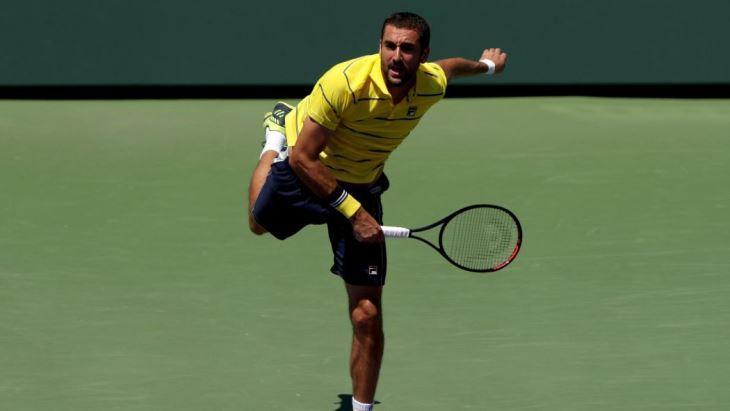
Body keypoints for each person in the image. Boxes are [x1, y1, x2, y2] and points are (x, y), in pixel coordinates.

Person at [247, 12, 507, 411]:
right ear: (380, 47)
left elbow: (454, 67)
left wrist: (486, 65)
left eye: (407, 49)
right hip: (305, 166)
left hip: (361, 182)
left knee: (367, 314)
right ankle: (274, 135)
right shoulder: (345, 82)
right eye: (389, 46)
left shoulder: (430, 83)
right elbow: (303, 158)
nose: (396, 56)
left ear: (422, 55)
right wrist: (354, 213)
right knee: (257, 224)